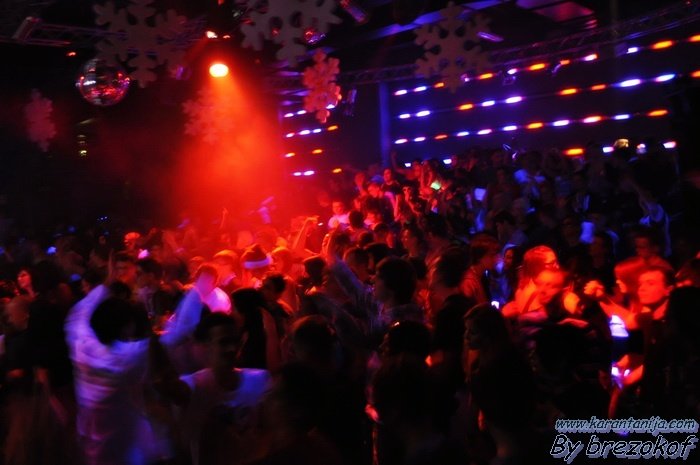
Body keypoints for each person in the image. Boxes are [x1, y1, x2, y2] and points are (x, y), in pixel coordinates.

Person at [153, 312, 271, 465]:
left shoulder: (259, 380)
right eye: (224, 342)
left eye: (235, 341)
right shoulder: (193, 386)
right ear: (206, 346)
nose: (232, 348)